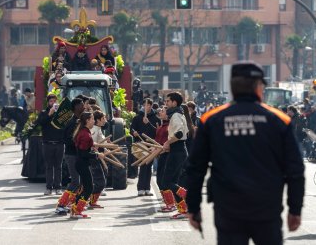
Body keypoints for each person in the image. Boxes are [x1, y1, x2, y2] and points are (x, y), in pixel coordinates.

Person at [186, 62, 305, 245]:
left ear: (232, 87)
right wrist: (295, 209)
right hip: (267, 210)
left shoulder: (211, 120)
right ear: (258, 87)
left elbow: (195, 168)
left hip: (228, 210)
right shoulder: (279, 120)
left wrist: (193, 207)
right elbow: (295, 170)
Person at [71, 112, 104, 218]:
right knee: (89, 188)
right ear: (87, 121)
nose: (94, 121)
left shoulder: (84, 131)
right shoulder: (85, 134)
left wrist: (94, 148)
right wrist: (97, 155)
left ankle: (75, 209)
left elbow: (84, 150)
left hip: (81, 163)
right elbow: (83, 153)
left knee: (87, 187)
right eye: (92, 119)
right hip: (82, 163)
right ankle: (76, 210)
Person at [161, 92, 189, 219]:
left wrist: (167, 142)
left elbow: (179, 134)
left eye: (168, 101)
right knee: (173, 182)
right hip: (178, 151)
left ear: (174, 102)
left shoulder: (176, 115)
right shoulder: (178, 114)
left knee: (166, 182)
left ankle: (185, 194)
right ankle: (183, 210)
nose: (166, 103)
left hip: (177, 152)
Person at [55, 98, 85, 215]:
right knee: (75, 182)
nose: (84, 107)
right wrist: (79, 143)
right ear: (76, 107)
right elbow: (66, 139)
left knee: (78, 182)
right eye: (82, 105)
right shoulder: (72, 122)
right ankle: (61, 205)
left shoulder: (78, 121)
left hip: (77, 155)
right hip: (71, 155)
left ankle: (68, 203)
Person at [131, 98, 161, 196]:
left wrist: (148, 123)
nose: (146, 107)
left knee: (149, 166)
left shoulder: (156, 118)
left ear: (151, 106)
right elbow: (132, 128)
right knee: (143, 166)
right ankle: (140, 188)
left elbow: (157, 132)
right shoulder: (137, 117)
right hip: (140, 144)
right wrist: (134, 133)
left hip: (151, 145)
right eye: (144, 105)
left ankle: (147, 188)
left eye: (148, 105)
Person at [36, 94, 64, 195]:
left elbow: (65, 125)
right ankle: (49, 187)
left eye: (54, 101)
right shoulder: (44, 112)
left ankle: (58, 187)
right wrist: (49, 114)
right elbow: (40, 123)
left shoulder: (60, 113)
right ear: (48, 102)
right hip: (47, 143)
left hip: (59, 143)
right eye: (51, 101)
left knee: (58, 166)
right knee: (49, 166)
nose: (53, 103)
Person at [89, 110, 108, 208]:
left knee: (100, 181)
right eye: (103, 118)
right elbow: (91, 145)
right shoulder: (93, 130)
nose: (105, 120)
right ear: (97, 120)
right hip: (92, 159)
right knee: (100, 182)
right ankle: (88, 201)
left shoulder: (98, 129)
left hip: (96, 157)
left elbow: (102, 143)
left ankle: (92, 201)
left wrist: (106, 149)